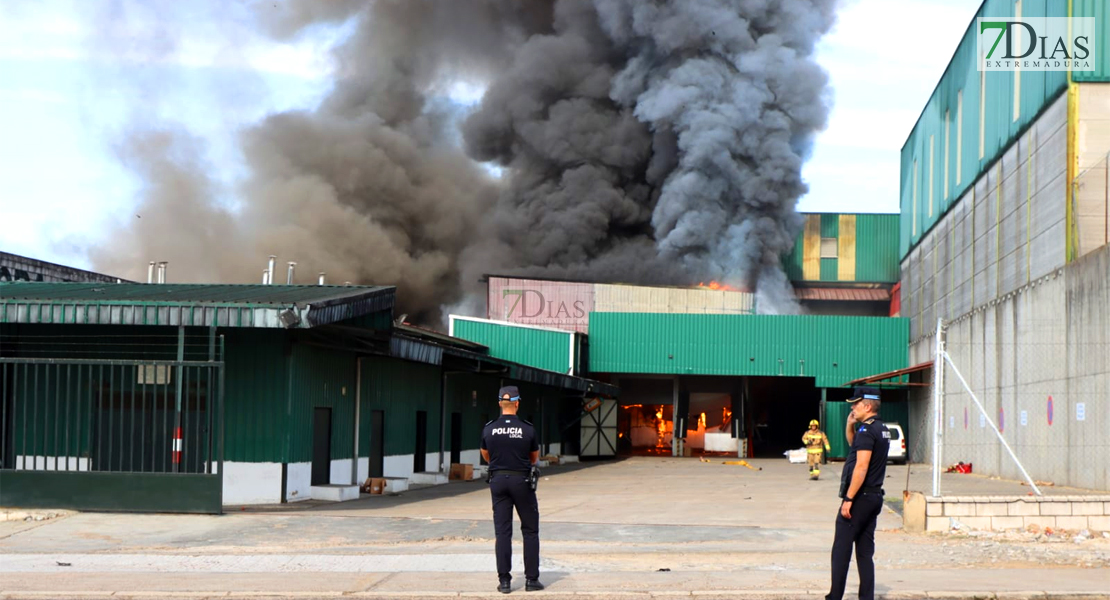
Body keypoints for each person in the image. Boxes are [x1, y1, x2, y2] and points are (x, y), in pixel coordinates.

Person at [827, 386, 891, 600]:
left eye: (855, 403)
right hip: (874, 497)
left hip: (860, 497)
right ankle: (867, 597)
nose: (852, 407)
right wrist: (849, 425)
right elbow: (856, 447)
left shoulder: (867, 430)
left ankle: (834, 596)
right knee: (864, 552)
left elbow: (861, 466)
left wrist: (849, 498)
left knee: (841, 551)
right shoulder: (880, 428)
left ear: (867, 405)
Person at [481, 385, 543, 594]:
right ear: (517, 403)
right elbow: (533, 458)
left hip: (498, 481)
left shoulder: (489, 428)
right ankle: (531, 580)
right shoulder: (528, 429)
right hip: (521, 482)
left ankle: (505, 581)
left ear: (500, 403)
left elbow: (486, 454)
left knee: (503, 532)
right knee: (530, 530)